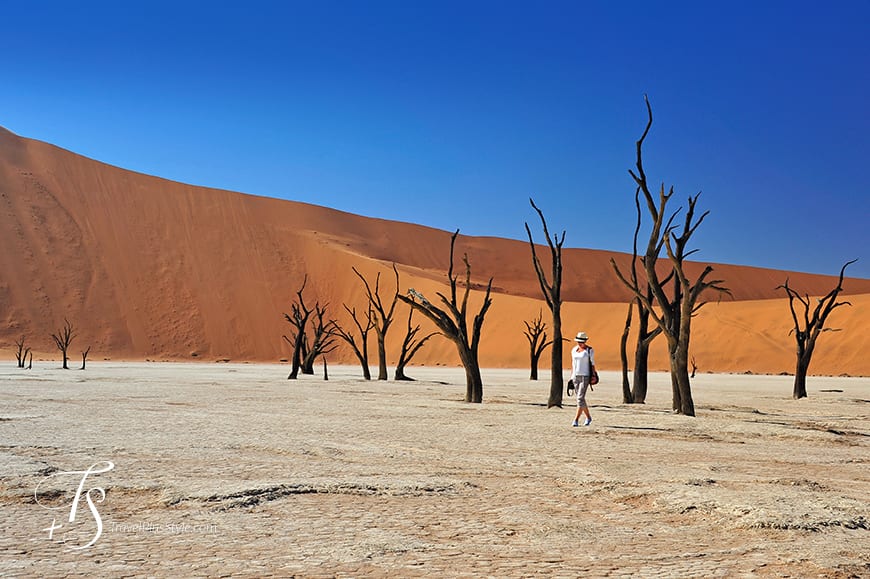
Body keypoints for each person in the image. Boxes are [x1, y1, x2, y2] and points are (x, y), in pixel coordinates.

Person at [570, 331, 596, 427]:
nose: (580, 343)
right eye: (578, 341)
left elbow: (592, 364)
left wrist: (593, 375)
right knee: (580, 399)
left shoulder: (589, 351)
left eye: (582, 341)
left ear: (585, 341)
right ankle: (588, 417)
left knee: (580, 398)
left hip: (585, 376)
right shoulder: (574, 350)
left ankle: (575, 420)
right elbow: (573, 363)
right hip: (575, 376)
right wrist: (571, 376)